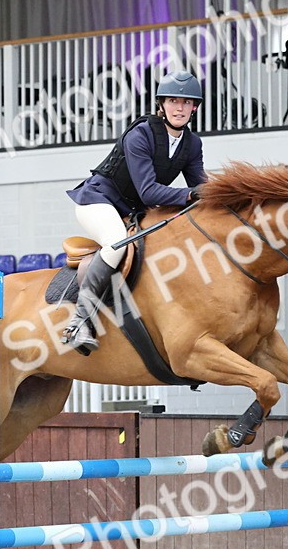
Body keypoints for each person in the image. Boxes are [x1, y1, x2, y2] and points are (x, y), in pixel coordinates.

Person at [61, 70, 208, 354]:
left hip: (133, 210)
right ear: (161, 105)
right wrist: (191, 195)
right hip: (99, 200)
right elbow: (150, 192)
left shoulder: (192, 144)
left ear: (195, 107)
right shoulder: (141, 133)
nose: (179, 108)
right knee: (117, 243)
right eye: (173, 101)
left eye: (186, 102)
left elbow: (200, 185)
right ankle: (79, 322)